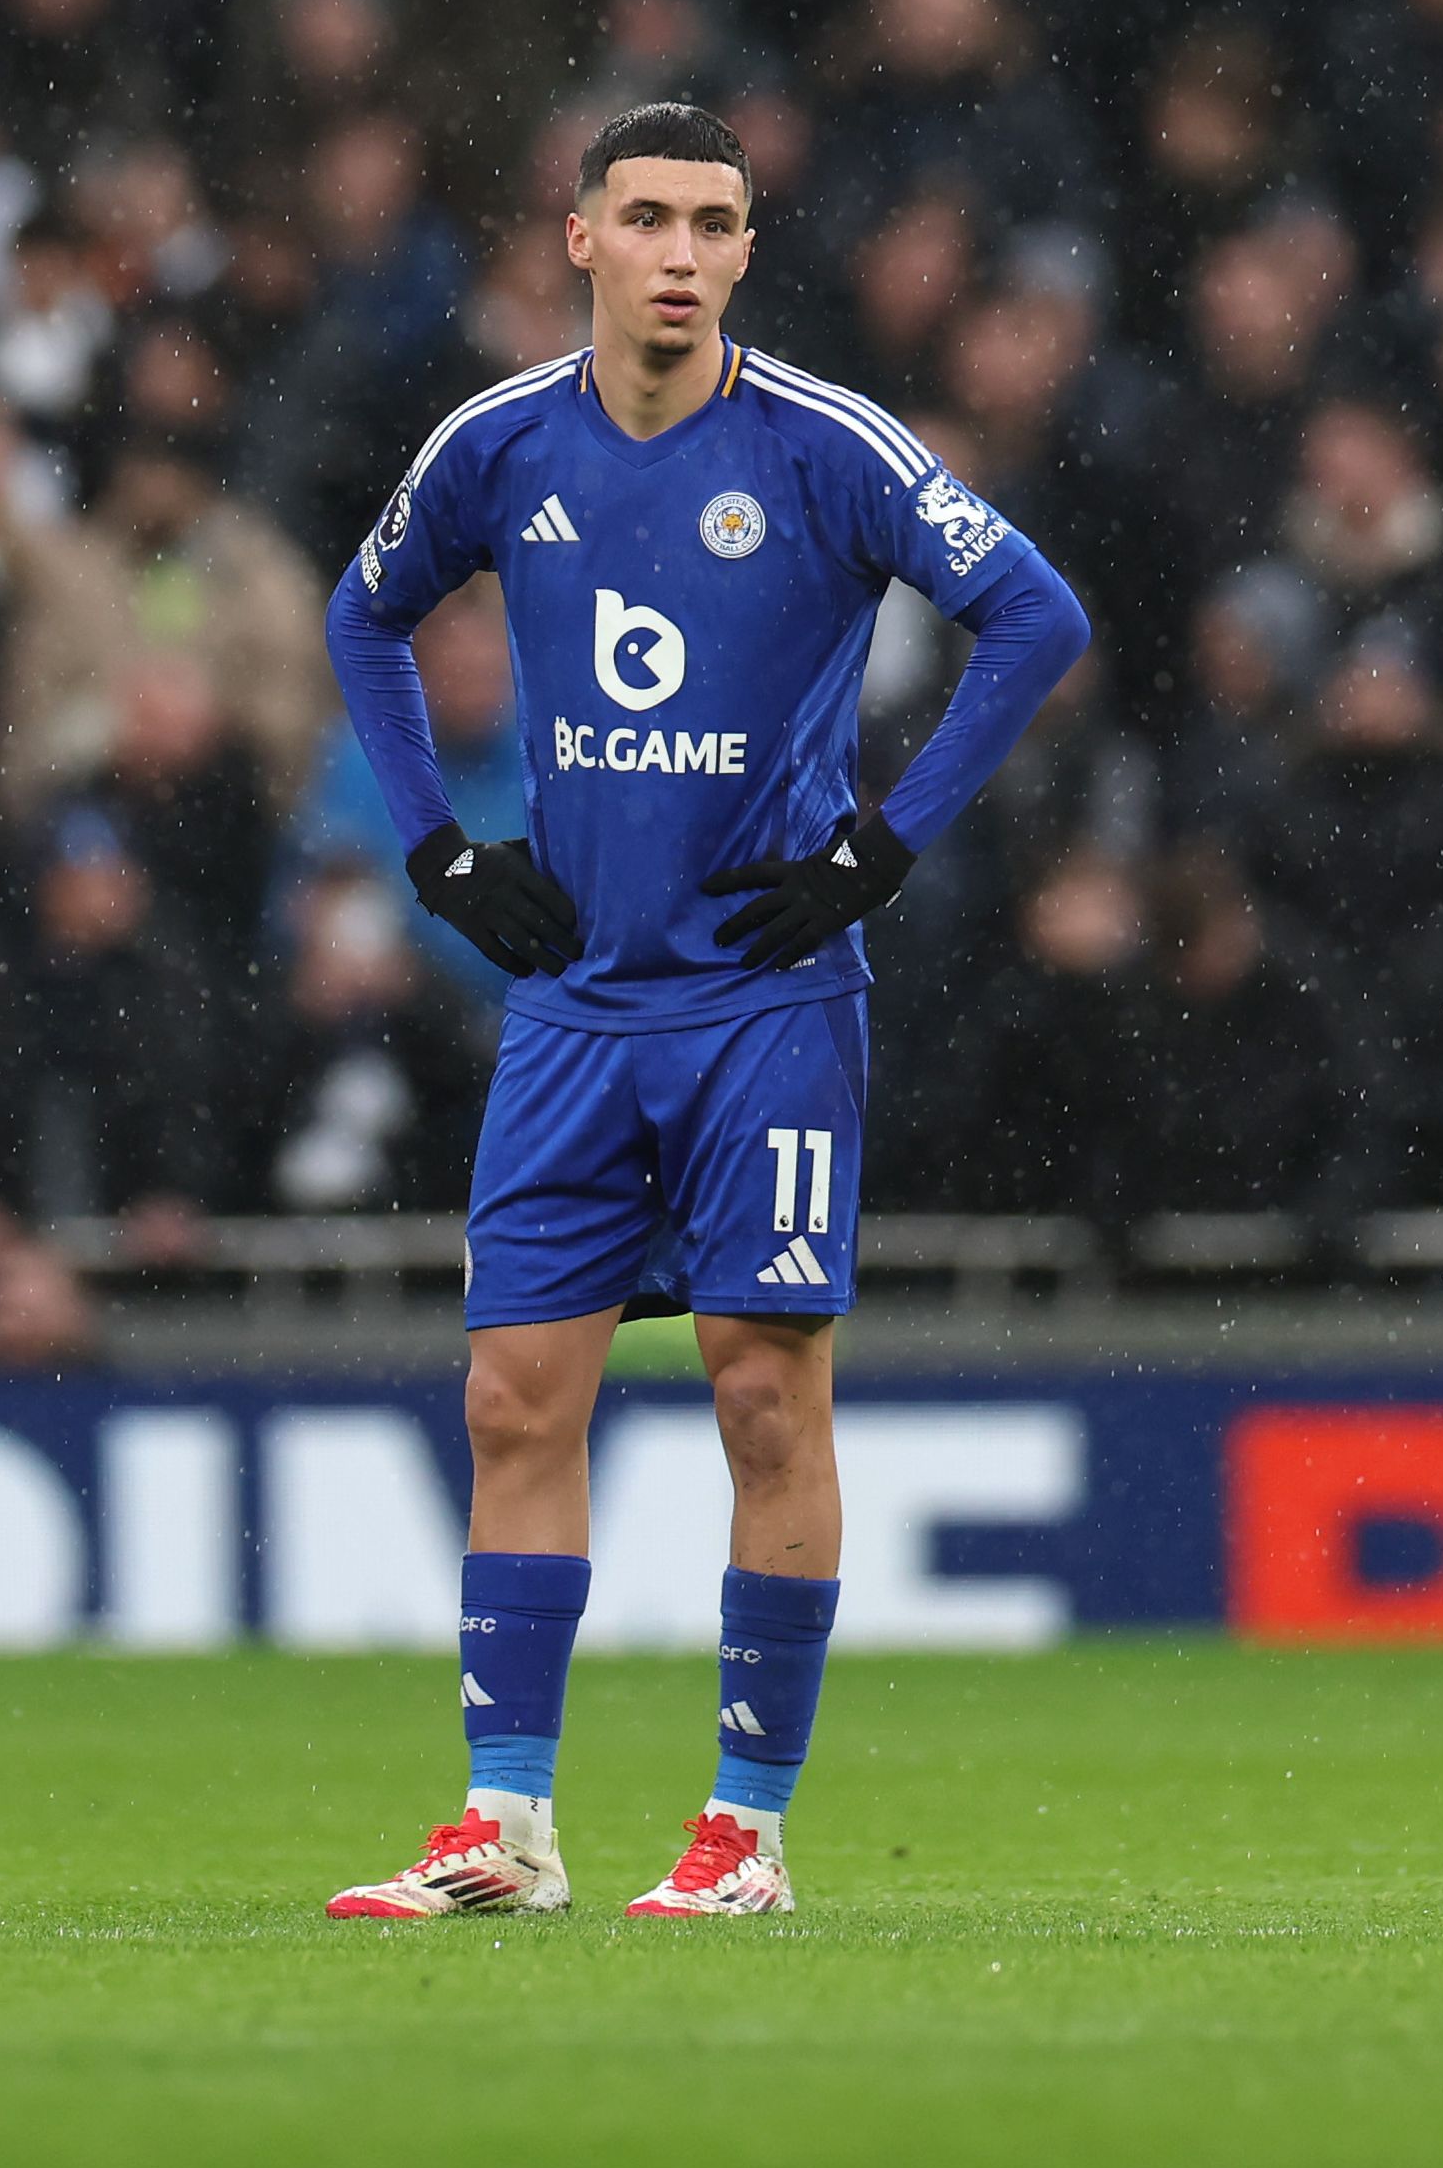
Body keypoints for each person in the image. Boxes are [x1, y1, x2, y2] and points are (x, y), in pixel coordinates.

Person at [318, 101, 1089, 1924]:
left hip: (769, 1001)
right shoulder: (499, 443)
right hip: (574, 1008)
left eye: (716, 223)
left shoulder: (826, 446)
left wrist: (881, 848)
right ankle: (506, 1826)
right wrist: (435, 854)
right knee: (515, 1401)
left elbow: (1033, 615)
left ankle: (744, 1833)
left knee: (761, 1400)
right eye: (647, 216)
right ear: (578, 237)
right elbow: (364, 615)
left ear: (749, 252)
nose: (681, 253)